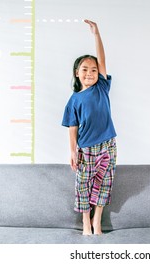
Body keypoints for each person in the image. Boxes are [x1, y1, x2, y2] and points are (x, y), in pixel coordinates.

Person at [62, 19, 117, 235]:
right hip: (86, 149)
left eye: (94, 70)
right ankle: (85, 222)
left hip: (108, 144)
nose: (90, 73)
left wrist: (97, 34)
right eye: (85, 69)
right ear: (77, 73)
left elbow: (102, 59)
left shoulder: (102, 87)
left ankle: (97, 220)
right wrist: (72, 151)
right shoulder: (74, 100)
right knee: (83, 185)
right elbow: (72, 128)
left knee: (104, 183)